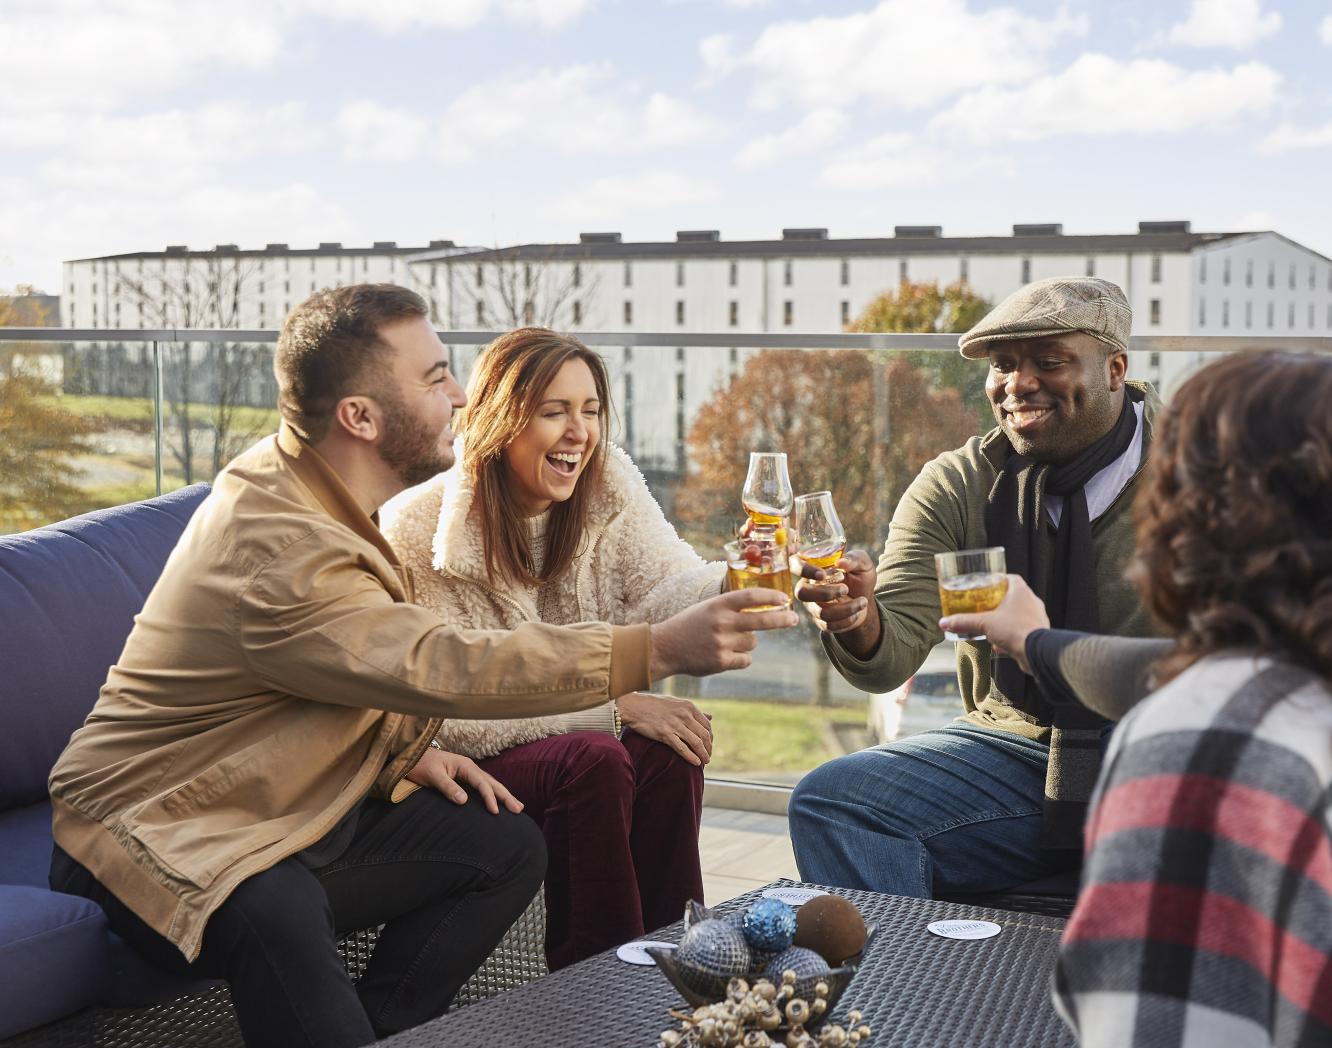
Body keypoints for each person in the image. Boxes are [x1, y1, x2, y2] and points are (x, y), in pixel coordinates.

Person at [47, 284, 795, 1048]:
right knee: (274, 906)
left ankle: (392, 1030)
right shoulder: (280, 546)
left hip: (280, 808)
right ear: (361, 417)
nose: (461, 396)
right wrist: (654, 650)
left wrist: (400, 752)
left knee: (503, 848)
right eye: (436, 378)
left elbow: (332, 674)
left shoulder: (319, 492)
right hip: (157, 829)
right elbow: (439, 663)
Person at [952, 352, 1332, 1047]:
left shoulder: (1203, 743)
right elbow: (1165, 673)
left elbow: (1145, 1028)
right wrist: (1035, 641)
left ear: (1191, 515)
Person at [788, 276, 1161, 898]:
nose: (1017, 384)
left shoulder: (1202, 468)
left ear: (1115, 369)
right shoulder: (959, 484)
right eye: (1003, 364)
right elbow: (892, 651)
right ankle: (903, 965)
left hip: (1161, 743)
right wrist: (858, 617)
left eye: (1048, 362)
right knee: (833, 802)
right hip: (1018, 744)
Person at [381, 327, 726, 969]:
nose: (579, 433)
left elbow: (667, 583)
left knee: (669, 750)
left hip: (570, 734)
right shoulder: (417, 528)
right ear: (501, 420)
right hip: (473, 756)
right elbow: (438, 711)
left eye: (590, 411)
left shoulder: (607, 485)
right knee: (596, 757)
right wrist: (613, 709)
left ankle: (684, 964)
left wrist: (741, 583)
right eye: (554, 412)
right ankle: (594, 986)